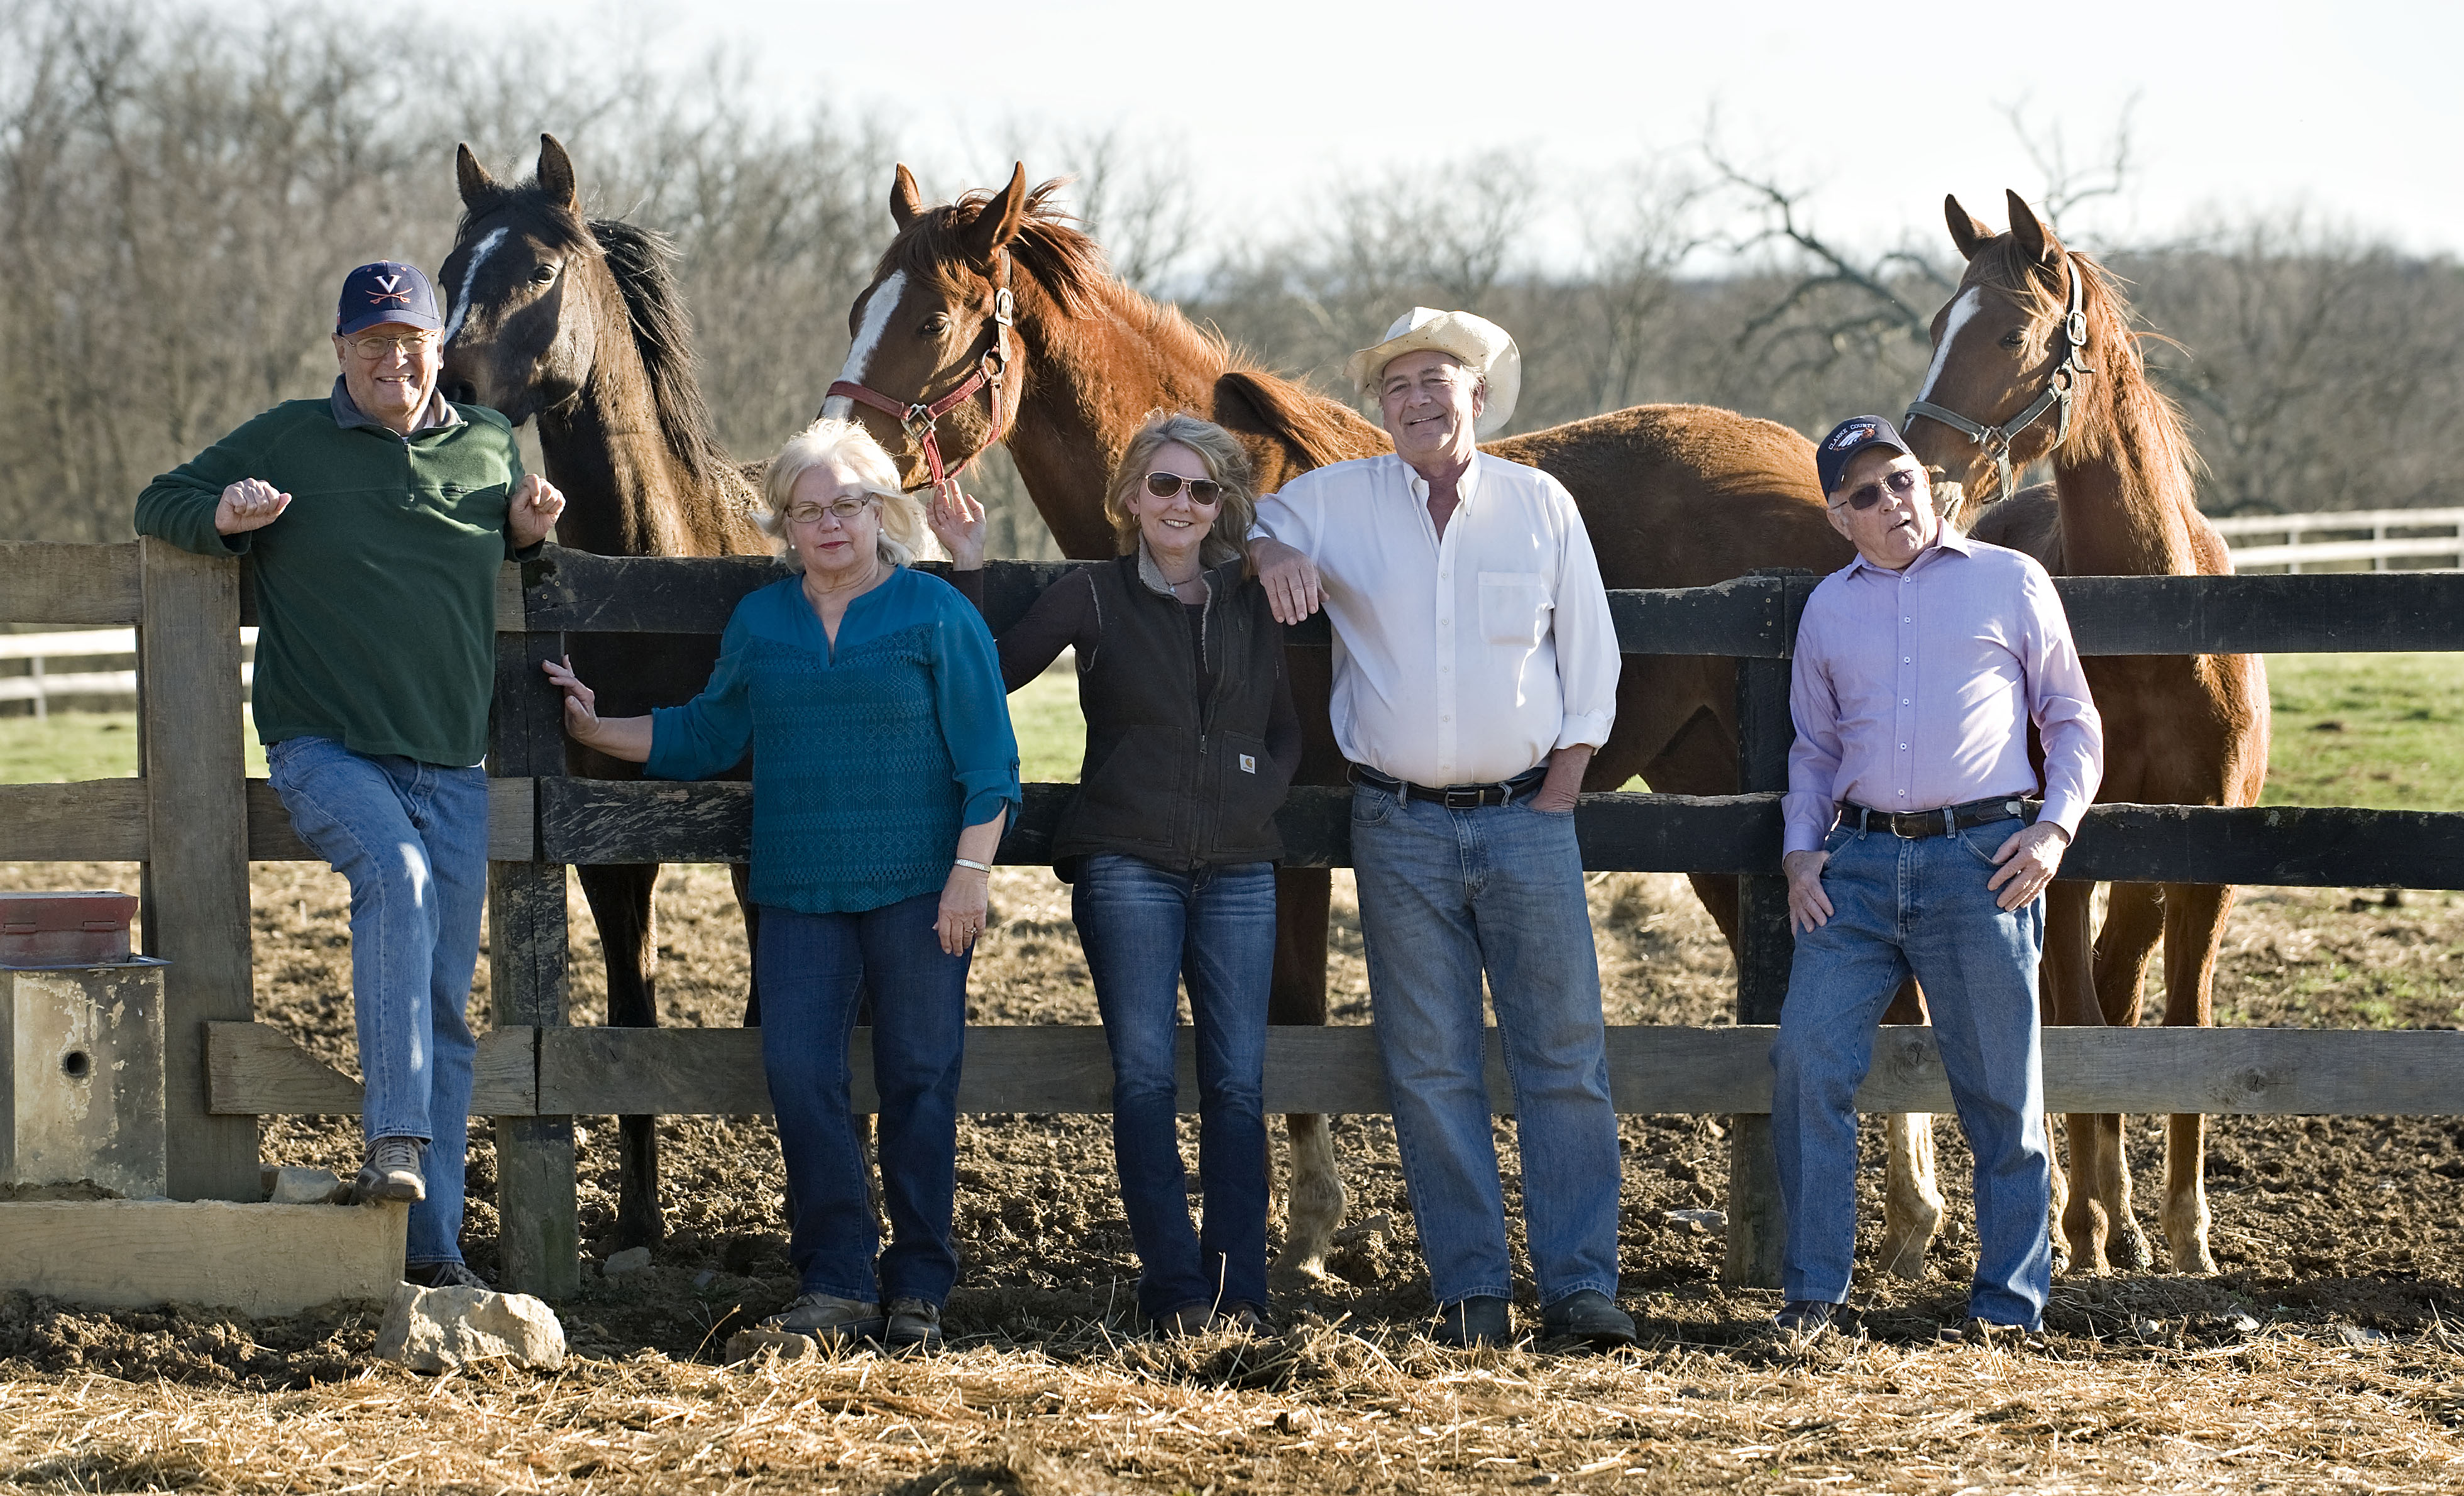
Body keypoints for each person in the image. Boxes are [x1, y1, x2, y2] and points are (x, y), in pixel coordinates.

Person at [544, 417, 1020, 1351]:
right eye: (809, 511)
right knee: (801, 1076)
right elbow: (708, 734)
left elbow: (991, 764)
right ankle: (837, 1280)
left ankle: (920, 1282)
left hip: (921, 891)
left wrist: (970, 875)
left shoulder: (937, 615)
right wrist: (602, 733)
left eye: (847, 505)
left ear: (882, 512)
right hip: (798, 891)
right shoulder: (762, 621)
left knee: (921, 1076)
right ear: (785, 527)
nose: (830, 524)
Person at [135, 261, 565, 1289]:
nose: (395, 360)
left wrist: (529, 537)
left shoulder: (491, 445)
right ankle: (395, 1144)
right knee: (396, 881)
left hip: (452, 765)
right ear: (341, 352)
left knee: (451, 1009)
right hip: (324, 748)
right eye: (373, 343)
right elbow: (162, 500)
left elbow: (516, 565)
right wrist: (227, 516)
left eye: (410, 340)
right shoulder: (288, 437)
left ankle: (432, 1252)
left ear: (436, 349)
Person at [1248, 308, 1634, 1349]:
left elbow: (1589, 651)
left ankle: (1581, 1288)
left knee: (1563, 1055)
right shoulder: (1337, 501)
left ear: (1478, 394)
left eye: (1438, 380)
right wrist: (1272, 552)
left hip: (1525, 819)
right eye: (1399, 386)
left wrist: (1568, 776)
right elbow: (1251, 518)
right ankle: (1472, 1290)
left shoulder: (1540, 505)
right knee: (1429, 1063)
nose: (1419, 399)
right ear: (1383, 408)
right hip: (1399, 825)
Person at [928, 412, 1300, 1336]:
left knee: (1240, 1084)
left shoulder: (1251, 599)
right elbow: (989, 672)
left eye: (1202, 489)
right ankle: (1174, 1290)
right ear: (1132, 496)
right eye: (1164, 484)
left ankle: (1240, 1292)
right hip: (1126, 866)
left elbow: (1286, 727)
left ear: (1223, 508)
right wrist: (968, 562)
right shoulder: (1090, 595)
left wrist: (1259, 794)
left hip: (1243, 871)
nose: (1182, 503)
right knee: (1142, 1078)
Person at [1769, 415, 2103, 1343]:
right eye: (1866, 494)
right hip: (1859, 867)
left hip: (1982, 861)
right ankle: (1814, 1298)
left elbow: (2072, 719)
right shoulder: (1829, 607)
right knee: (1805, 1065)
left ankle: (2006, 1308)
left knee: (2003, 1092)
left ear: (1928, 483)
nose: (1893, 502)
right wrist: (1803, 851)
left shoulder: (2010, 581)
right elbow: (1815, 747)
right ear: (1842, 518)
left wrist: (2053, 831)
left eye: (1903, 479)